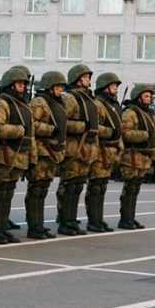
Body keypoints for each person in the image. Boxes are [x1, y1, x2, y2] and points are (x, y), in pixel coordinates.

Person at [0, 67, 35, 244]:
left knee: (8, 193)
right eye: (20, 83)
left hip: (19, 155)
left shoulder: (24, 105)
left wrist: (32, 155)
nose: (23, 87)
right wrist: (18, 130)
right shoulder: (2, 103)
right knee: (0, 193)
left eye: (24, 84)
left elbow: (31, 133)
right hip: (5, 155)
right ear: (11, 85)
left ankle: (2, 228)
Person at [58, 65, 99, 236]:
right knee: (69, 185)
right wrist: (82, 126)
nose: (89, 79)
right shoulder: (71, 98)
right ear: (78, 78)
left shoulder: (89, 99)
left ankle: (72, 219)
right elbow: (62, 122)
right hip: (74, 147)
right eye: (86, 76)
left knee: (77, 186)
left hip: (86, 148)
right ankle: (65, 221)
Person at [27, 71, 68, 239]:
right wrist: (50, 129)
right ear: (49, 87)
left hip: (52, 152)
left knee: (43, 189)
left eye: (61, 87)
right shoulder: (40, 102)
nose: (60, 90)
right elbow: (32, 124)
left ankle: (39, 224)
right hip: (42, 150)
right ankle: (34, 226)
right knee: (36, 189)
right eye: (57, 87)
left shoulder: (58, 103)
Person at [87, 72, 124, 233]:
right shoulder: (98, 104)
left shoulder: (113, 105)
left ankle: (99, 219)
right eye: (113, 86)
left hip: (110, 151)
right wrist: (109, 132)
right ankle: (93, 221)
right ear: (105, 87)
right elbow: (94, 126)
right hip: (100, 149)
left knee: (102, 186)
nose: (116, 89)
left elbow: (119, 128)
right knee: (95, 187)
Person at [119, 86, 155, 230]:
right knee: (129, 188)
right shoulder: (130, 112)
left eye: (150, 96)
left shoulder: (148, 113)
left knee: (135, 188)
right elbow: (125, 133)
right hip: (132, 156)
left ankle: (131, 217)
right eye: (146, 96)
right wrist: (144, 135)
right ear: (138, 97)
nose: (149, 99)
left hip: (144, 155)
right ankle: (125, 219)